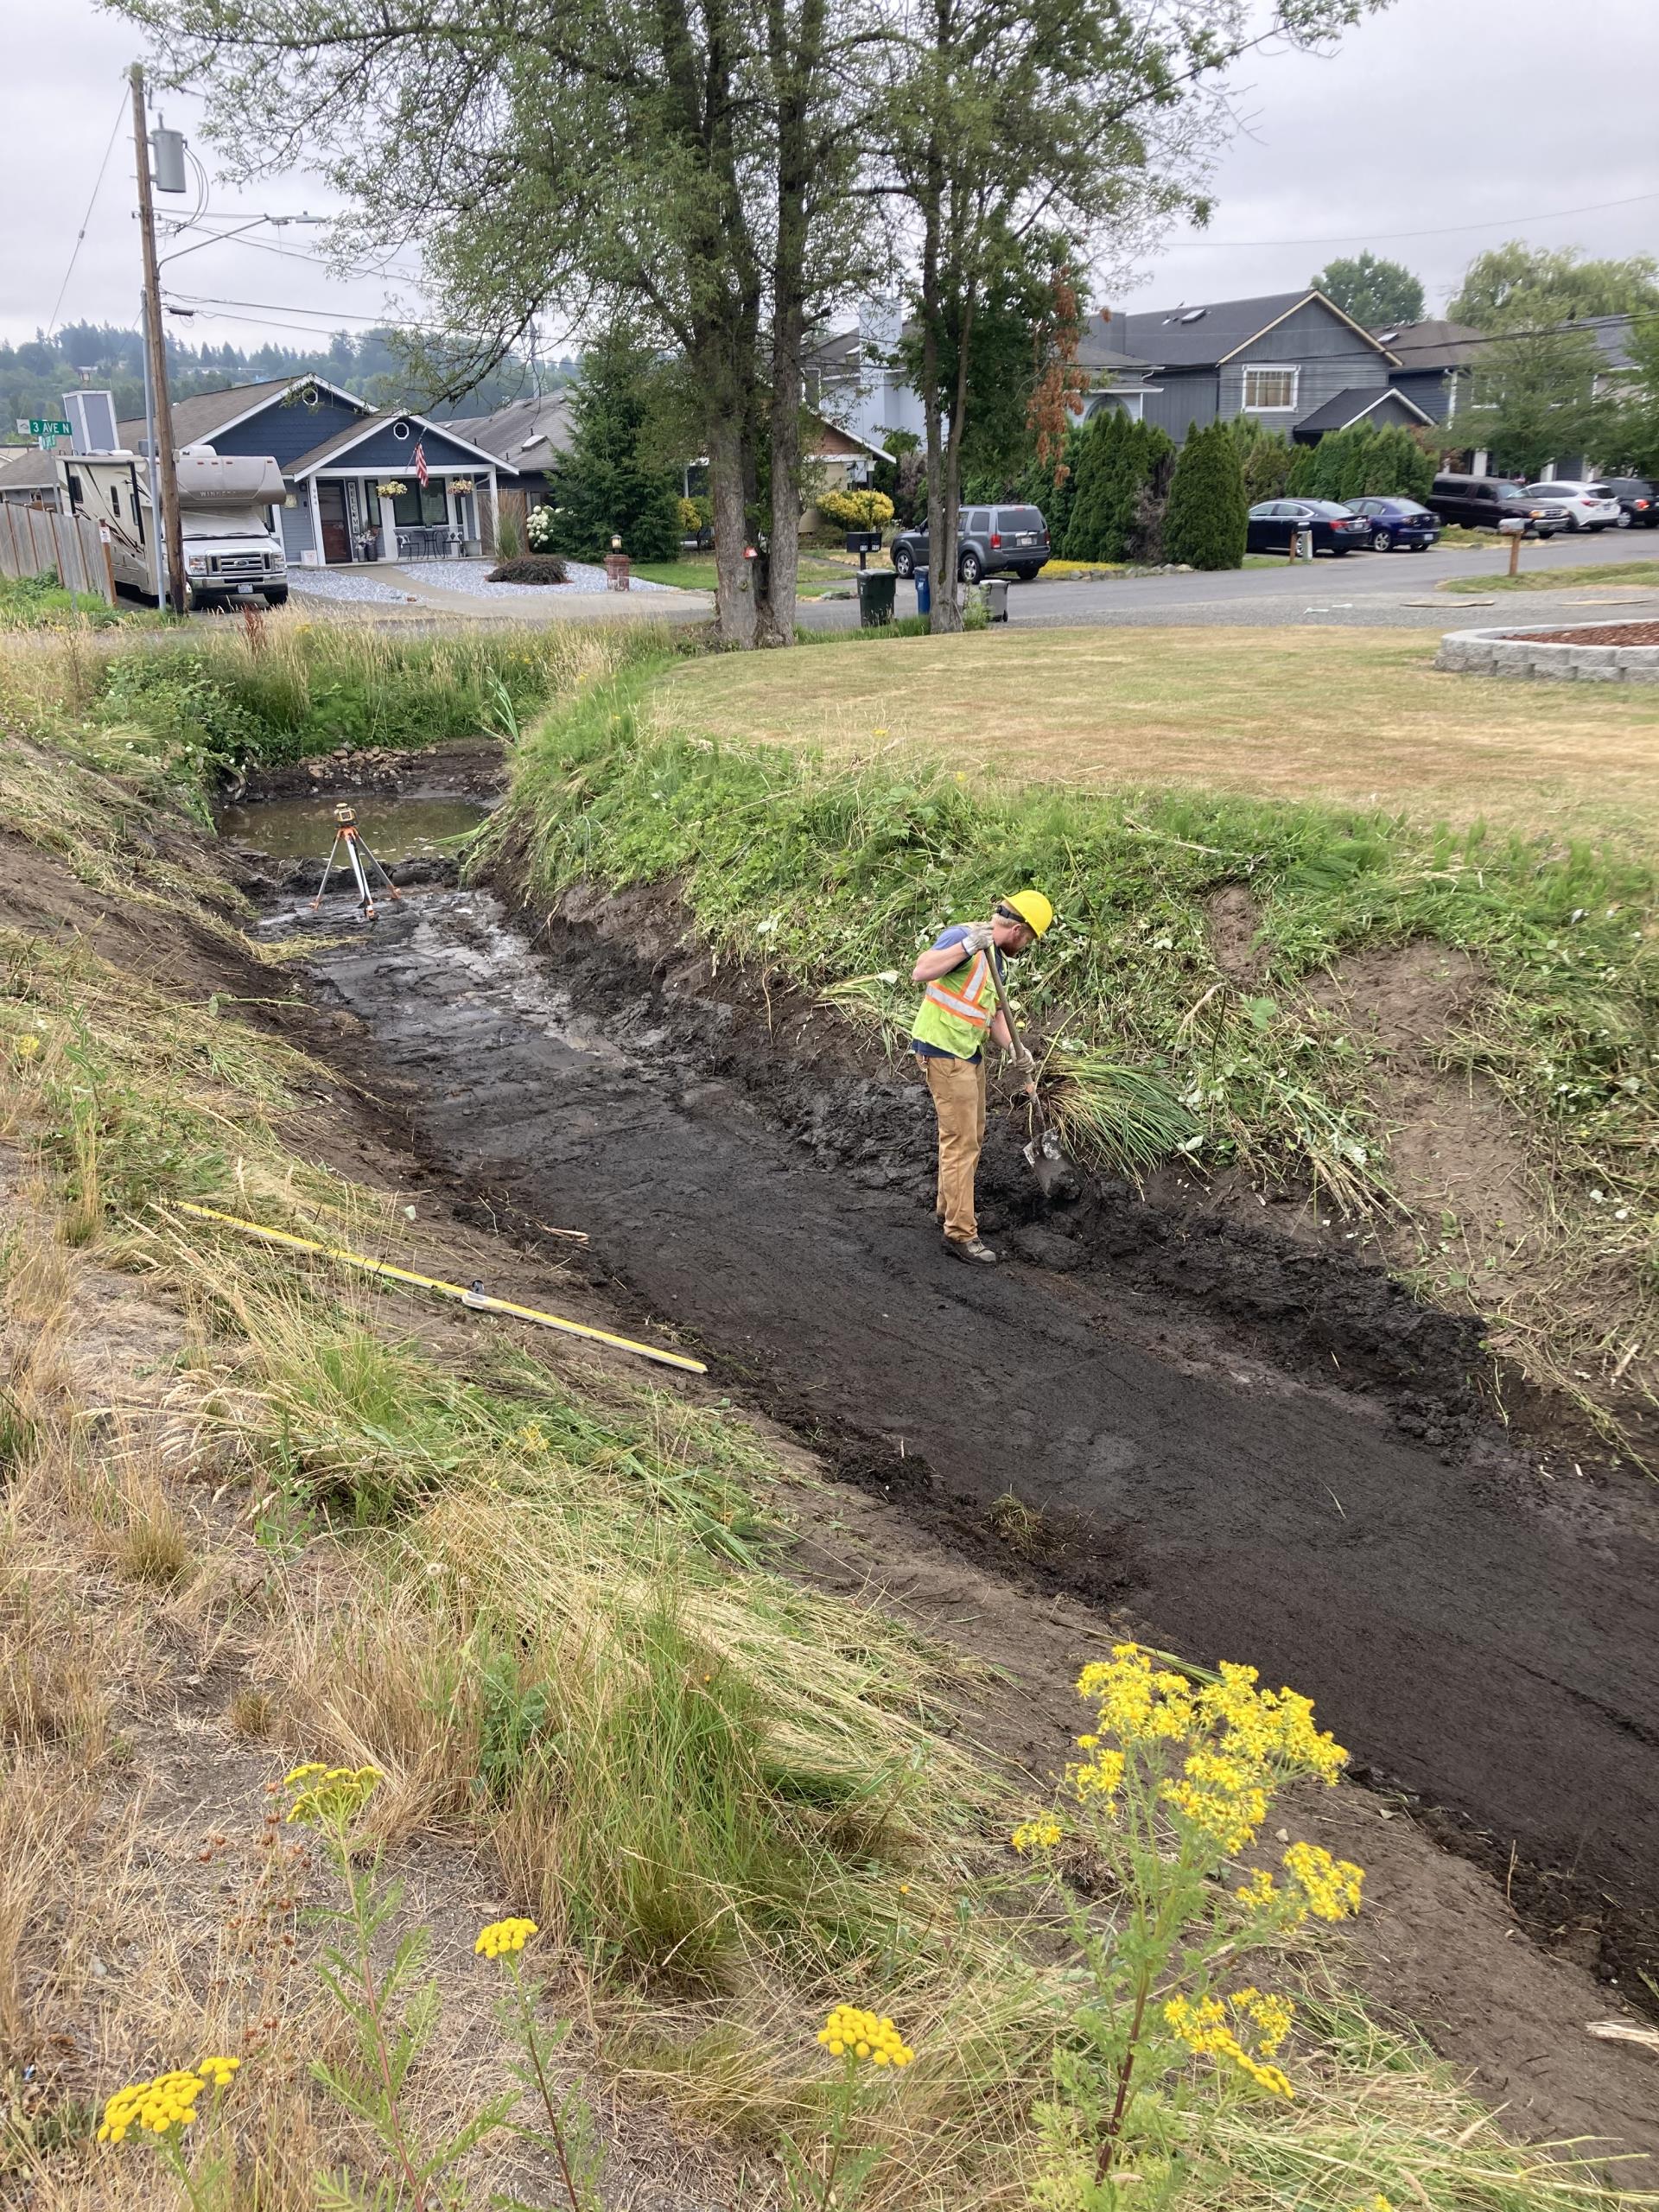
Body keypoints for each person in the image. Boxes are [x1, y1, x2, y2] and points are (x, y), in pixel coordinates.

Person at [909, 891, 1053, 1264]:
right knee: (962, 1143)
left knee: (969, 1136)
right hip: (944, 1052)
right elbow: (921, 971)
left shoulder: (996, 960)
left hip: (968, 1053)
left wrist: (1013, 1049)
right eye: (1030, 940)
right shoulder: (966, 938)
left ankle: (948, 1209)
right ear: (1019, 930)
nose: (1027, 946)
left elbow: (993, 1013)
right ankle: (961, 1232)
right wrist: (968, 946)